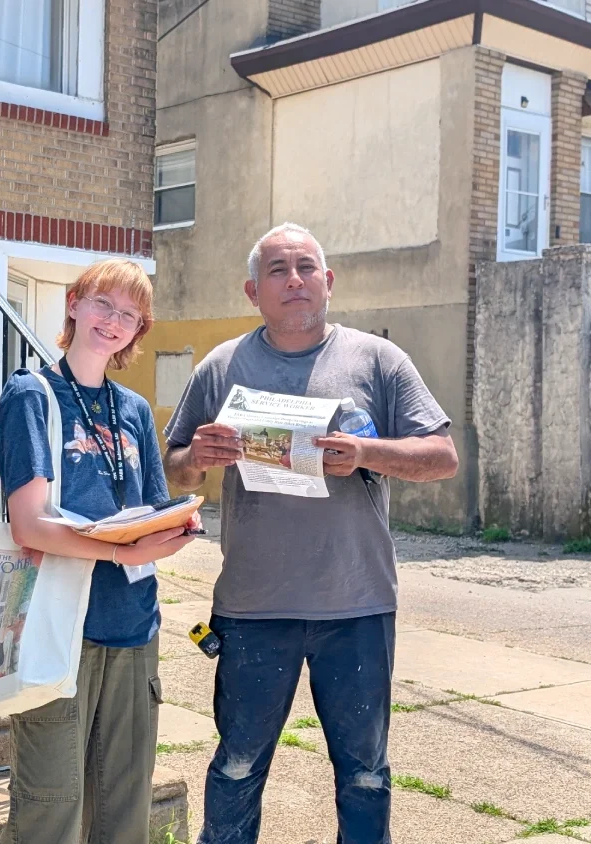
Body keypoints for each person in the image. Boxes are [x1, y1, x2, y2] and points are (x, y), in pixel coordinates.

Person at [163, 223, 459, 844]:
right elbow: (169, 468)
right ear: (253, 290)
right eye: (277, 270)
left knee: (366, 776)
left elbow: (442, 457)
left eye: (305, 267)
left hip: (358, 605)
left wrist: (367, 452)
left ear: (329, 281)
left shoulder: (378, 360)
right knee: (238, 767)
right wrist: (200, 457)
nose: (293, 280)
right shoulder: (222, 367)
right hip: (251, 609)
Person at [0, 258, 199, 844]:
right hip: (61, 626)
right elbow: (29, 525)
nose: (113, 321)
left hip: (133, 626)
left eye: (129, 314)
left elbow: (155, 509)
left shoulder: (132, 410)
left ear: (139, 331)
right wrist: (117, 553)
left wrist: (177, 529)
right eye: (103, 304)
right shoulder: (31, 397)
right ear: (75, 304)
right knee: (50, 811)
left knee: (123, 813)